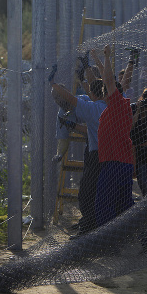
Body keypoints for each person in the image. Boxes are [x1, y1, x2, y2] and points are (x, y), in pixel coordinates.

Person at [50, 73, 107, 237]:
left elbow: (95, 125)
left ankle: (91, 224)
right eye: (55, 98)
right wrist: (60, 154)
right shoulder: (62, 113)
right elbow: (63, 138)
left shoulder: (85, 102)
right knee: (88, 189)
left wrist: (74, 125)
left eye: (60, 96)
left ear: (67, 93)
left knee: (88, 191)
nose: (58, 100)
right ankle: (90, 222)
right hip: (93, 147)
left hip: (100, 146)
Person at [91, 45, 136, 228]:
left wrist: (108, 56)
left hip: (115, 163)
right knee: (126, 205)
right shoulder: (118, 107)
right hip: (121, 162)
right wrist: (97, 59)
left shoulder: (118, 105)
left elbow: (109, 81)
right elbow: (107, 79)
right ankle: (145, 238)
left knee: (103, 204)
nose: (104, 92)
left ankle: (108, 241)